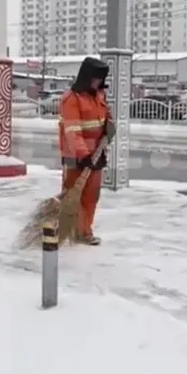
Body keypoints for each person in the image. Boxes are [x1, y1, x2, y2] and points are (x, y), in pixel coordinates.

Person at [58, 57, 115, 246]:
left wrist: (110, 127)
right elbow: (72, 131)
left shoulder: (99, 96)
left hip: (97, 153)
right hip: (76, 156)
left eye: (100, 79)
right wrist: (83, 155)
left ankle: (85, 231)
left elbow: (106, 117)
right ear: (86, 76)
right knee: (73, 195)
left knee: (92, 195)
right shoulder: (71, 99)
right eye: (94, 78)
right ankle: (69, 229)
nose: (97, 82)